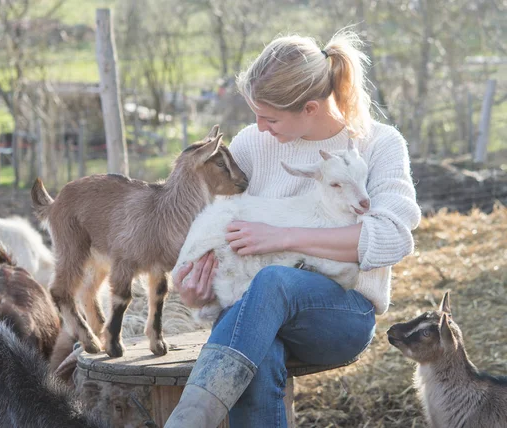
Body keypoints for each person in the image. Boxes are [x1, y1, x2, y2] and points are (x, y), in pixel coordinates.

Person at [165, 30, 421, 428]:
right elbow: (220, 231)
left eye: (270, 117)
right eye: (255, 114)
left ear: (310, 108)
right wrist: (194, 291)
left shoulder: (378, 145)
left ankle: (187, 421)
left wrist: (283, 237)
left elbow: (393, 238)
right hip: (252, 307)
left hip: (339, 313)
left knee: (272, 282)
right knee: (258, 351)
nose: (259, 126)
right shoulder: (253, 143)